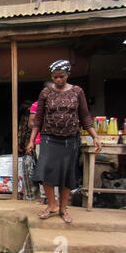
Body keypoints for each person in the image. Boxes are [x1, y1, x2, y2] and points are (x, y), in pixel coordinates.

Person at [27, 60, 102, 223]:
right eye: (55, 77)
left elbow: (85, 116)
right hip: (48, 137)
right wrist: (32, 140)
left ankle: (63, 208)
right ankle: (51, 205)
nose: (58, 80)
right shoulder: (45, 93)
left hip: (70, 139)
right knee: (46, 169)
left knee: (67, 172)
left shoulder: (77, 92)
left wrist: (95, 136)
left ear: (68, 75)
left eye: (61, 76)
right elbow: (38, 119)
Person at [28, 82, 59, 205]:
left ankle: (55, 197)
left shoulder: (60, 105)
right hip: (41, 140)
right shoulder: (36, 105)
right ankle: (43, 195)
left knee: (54, 168)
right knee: (43, 168)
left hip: (58, 141)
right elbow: (31, 123)